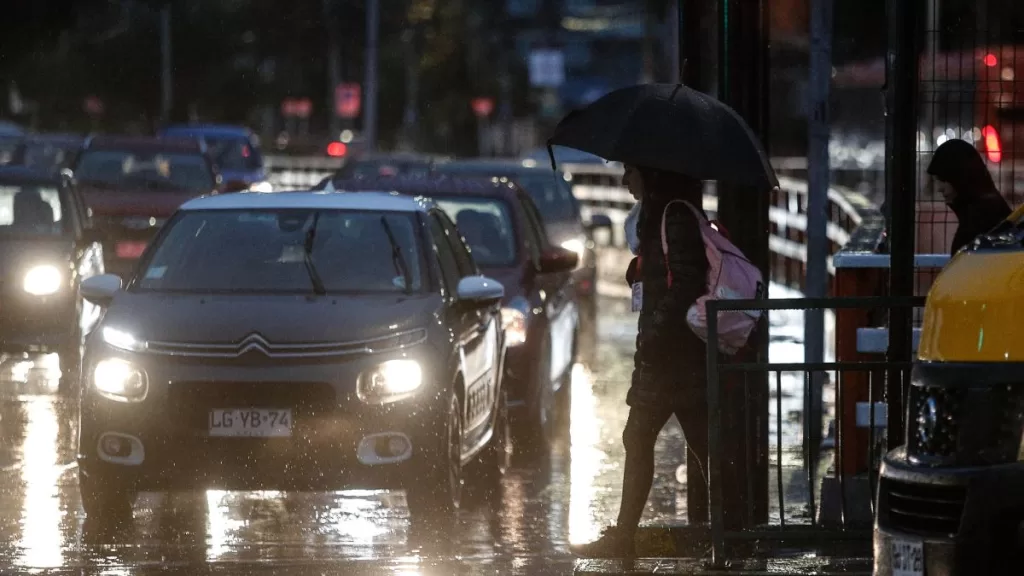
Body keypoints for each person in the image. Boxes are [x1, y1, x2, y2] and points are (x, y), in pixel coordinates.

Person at [571, 164, 710, 559]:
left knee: (685, 442)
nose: (624, 180)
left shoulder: (674, 215)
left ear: (650, 173)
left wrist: (655, 330)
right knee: (664, 440)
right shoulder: (658, 215)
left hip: (674, 355)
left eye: (630, 171)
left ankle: (721, 533)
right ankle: (630, 536)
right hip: (667, 354)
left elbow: (687, 279)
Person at [928, 138, 1011, 255]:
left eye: (944, 179)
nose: (939, 188)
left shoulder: (977, 223)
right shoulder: (990, 211)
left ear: (960, 177)